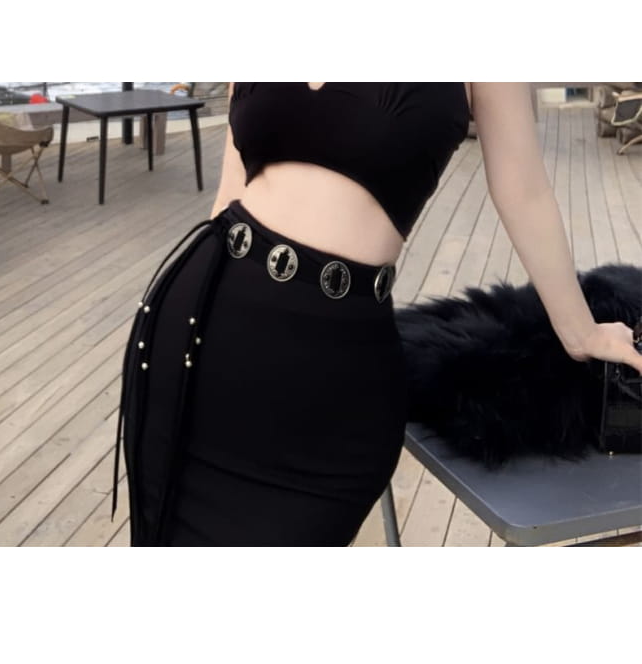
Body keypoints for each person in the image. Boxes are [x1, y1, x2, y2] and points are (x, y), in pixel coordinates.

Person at [113, 82, 642, 547]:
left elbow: (523, 191)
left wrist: (581, 332)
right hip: (203, 342)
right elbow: (233, 187)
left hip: (339, 378)